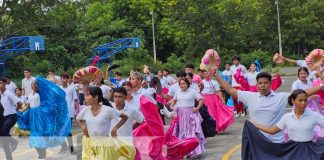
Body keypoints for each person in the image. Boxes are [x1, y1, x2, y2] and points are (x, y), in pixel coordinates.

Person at [214, 71, 323, 143]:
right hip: (257, 141)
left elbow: (303, 93)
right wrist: (217, 75)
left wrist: (321, 86)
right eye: (260, 83)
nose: (262, 85)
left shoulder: (281, 97)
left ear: (270, 83)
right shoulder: (249, 96)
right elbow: (230, 90)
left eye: (265, 83)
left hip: (277, 142)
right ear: (257, 84)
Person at [17, 78, 71, 160]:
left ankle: (43, 153)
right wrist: (21, 111)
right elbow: (28, 105)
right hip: (32, 115)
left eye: (33, 84)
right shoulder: (31, 94)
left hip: (40, 116)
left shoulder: (41, 94)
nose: (32, 85)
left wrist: (44, 111)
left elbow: (47, 102)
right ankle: (42, 153)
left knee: (43, 133)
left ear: (37, 85)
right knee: (35, 134)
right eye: (31, 84)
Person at [76, 86, 130, 159]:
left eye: (88, 95)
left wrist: (115, 129)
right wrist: (83, 127)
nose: (85, 97)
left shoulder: (107, 110)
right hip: (89, 142)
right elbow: (77, 119)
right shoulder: (85, 110)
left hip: (103, 144)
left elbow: (125, 117)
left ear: (96, 97)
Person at [252, 89, 324, 142]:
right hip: (292, 149)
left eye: (305, 100)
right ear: (293, 101)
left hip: (309, 149)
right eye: (300, 100)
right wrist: (254, 125)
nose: (304, 103)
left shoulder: (314, 115)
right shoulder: (287, 117)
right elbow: (272, 130)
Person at [170, 78, 205, 158]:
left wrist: (197, 109)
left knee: (191, 132)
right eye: (180, 84)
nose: (182, 85)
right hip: (180, 114)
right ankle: (184, 151)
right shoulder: (177, 92)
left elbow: (202, 99)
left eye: (183, 83)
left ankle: (193, 151)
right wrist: (172, 106)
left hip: (190, 114)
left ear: (187, 84)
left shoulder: (192, 91)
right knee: (181, 133)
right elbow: (174, 100)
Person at [0, 79, 22, 160]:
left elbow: (20, 103)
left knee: (3, 132)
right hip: (3, 118)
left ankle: (14, 142)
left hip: (11, 116)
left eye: (1, 83)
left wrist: (14, 110)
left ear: (5, 84)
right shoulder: (0, 94)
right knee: (3, 137)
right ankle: (9, 157)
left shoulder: (8, 93)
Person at [59, 74, 78, 153]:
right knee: (59, 131)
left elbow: (76, 100)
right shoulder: (59, 88)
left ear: (67, 79)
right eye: (61, 78)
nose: (62, 80)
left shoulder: (72, 88)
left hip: (69, 112)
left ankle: (71, 146)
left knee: (67, 131)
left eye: (64, 78)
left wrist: (77, 111)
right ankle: (63, 146)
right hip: (60, 112)